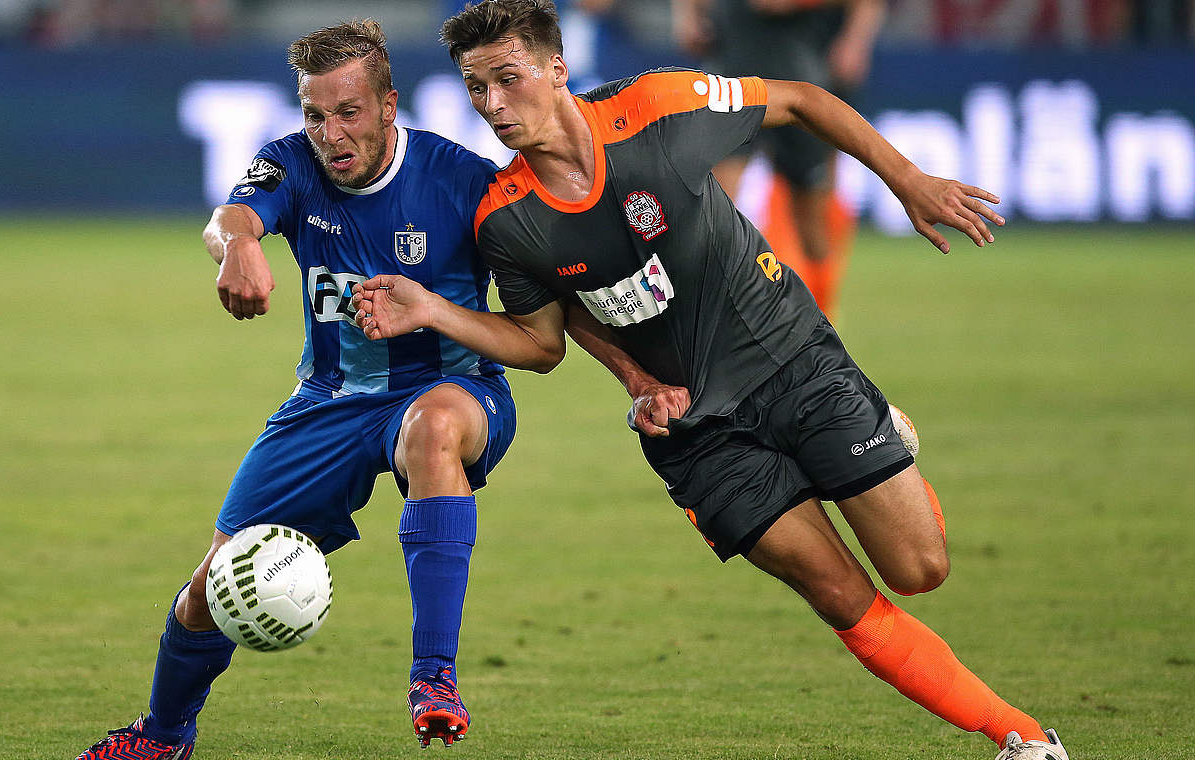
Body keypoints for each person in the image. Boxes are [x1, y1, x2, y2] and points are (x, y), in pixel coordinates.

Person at [350, 2, 1071, 758]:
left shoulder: (658, 109)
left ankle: (878, 434)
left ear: (556, 69)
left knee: (919, 570)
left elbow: (803, 99)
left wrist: (907, 179)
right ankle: (1020, 738)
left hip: (789, 358)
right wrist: (437, 311)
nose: (494, 105)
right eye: (476, 89)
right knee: (837, 594)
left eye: (508, 78)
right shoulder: (506, 219)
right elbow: (544, 341)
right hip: (696, 432)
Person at [75, 19, 521, 758]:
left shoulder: (464, 181)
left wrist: (639, 373)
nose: (330, 133)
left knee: (433, 428)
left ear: (387, 105)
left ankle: (433, 677)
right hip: (330, 400)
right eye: (315, 114)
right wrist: (240, 246)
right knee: (210, 590)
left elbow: (544, 321)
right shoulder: (290, 165)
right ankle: (163, 737)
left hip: (455, 388)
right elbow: (232, 218)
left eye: (348, 112)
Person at [674, 0, 886, 318]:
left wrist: (854, 41)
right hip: (733, 70)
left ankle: (821, 320)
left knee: (813, 217)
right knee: (712, 207)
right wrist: (687, 17)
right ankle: (712, 325)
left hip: (803, 76)